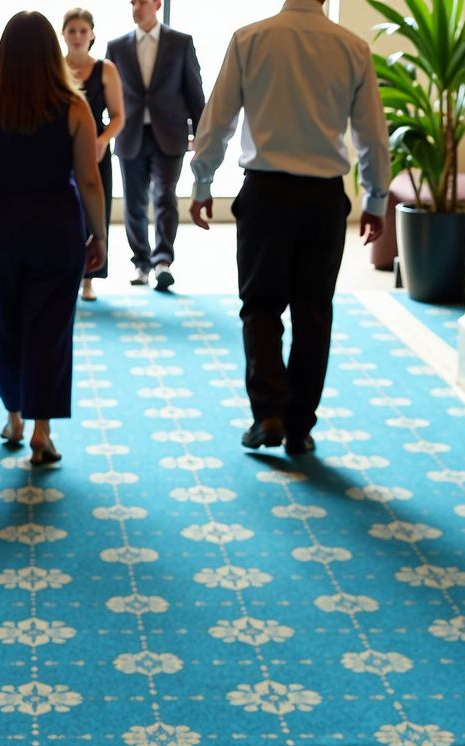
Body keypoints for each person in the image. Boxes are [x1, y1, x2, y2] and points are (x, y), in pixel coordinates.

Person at [188, 0, 388, 457]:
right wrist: (375, 199)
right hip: (322, 198)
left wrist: (202, 182)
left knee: (260, 306)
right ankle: (300, 425)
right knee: (314, 311)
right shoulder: (352, 47)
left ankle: (269, 415)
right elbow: (371, 134)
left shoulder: (250, 38)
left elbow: (218, 119)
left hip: (266, 194)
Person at [0, 10, 107, 468]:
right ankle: (43, 431)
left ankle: (14, 417)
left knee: (4, 323)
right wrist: (99, 236)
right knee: (50, 329)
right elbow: (90, 181)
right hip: (58, 224)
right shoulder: (74, 107)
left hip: (0, 225)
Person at [109, 0, 201, 291]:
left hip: (170, 132)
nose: (136, 7)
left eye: (143, 1)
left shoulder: (181, 42)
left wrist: (201, 134)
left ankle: (163, 261)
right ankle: (141, 262)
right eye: (132, 2)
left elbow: (194, 89)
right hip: (130, 132)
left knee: (165, 196)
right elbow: (108, 91)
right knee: (134, 202)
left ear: (158, 4)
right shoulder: (117, 46)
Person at [61, 8, 123, 302]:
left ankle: (90, 278)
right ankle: (64, 272)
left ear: (93, 34)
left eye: (83, 31)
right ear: (63, 34)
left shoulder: (105, 69)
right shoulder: (55, 67)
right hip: (60, 150)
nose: (77, 37)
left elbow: (119, 116)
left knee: (95, 211)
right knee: (64, 214)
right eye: (71, 31)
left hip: (96, 149)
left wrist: (101, 141)